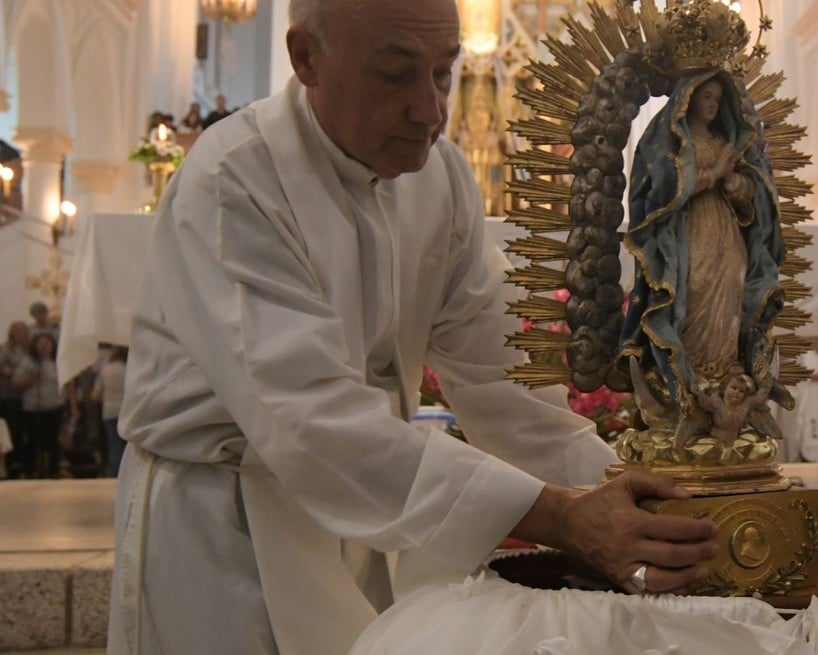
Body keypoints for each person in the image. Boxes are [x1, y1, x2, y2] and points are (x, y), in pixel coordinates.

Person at [105, 1, 719, 654]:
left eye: (444, 73)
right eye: (395, 74)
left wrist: (621, 486)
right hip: (222, 529)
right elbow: (310, 421)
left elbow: (498, 379)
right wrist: (562, 516)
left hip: (357, 515)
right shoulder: (234, 181)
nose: (430, 111)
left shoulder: (440, 178)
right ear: (306, 58)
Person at [620, 71, 787, 416]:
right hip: (686, 232)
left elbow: (752, 193)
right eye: (706, 96)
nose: (712, 104)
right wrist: (713, 175)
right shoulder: (671, 142)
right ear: (689, 97)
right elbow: (661, 193)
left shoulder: (727, 141)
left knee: (731, 287)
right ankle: (687, 372)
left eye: (717, 98)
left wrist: (734, 182)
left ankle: (726, 372)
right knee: (694, 287)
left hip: (725, 230)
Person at [13, 333, 70, 479]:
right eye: (40, 343)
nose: (43, 347)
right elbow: (16, 383)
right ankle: (31, 470)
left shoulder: (58, 362)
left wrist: (72, 405)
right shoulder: (29, 362)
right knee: (33, 440)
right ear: (35, 346)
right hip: (34, 408)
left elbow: (68, 384)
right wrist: (33, 377)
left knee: (52, 440)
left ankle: (53, 470)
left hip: (54, 407)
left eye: (47, 343)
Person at [0, 321, 32, 478]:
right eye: (18, 332)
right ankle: (11, 464)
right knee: (11, 430)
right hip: (8, 395)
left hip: (26, 395)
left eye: (23, 331)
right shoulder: (7, 349)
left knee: (23, 430)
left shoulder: (29, 350)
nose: (21, 335)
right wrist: (8, 372)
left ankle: (23, 463)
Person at [92, 346, 128, 477]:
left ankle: (114, 475)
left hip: (109, 412)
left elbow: (95, 395)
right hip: (125, 411)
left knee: (114, 446)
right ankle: (126, 476)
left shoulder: (105, 370)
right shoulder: (128, 369)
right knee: (127, 448)